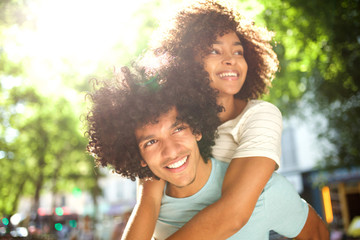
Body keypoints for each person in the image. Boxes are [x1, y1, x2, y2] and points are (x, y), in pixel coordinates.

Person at [129, 0, 329, 239]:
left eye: (238, 51)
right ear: (185, 62)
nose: (231, 59)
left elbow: (235, 212)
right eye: (214, 50)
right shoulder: (170, 123)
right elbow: (149, 199)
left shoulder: (259, 116)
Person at [85, 65, 329, 239]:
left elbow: (317, 234)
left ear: (197, 128)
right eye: (151, 142)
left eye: (178, 128)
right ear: (139, 156)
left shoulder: (262, 191)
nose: (171, 151)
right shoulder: (149, 209)